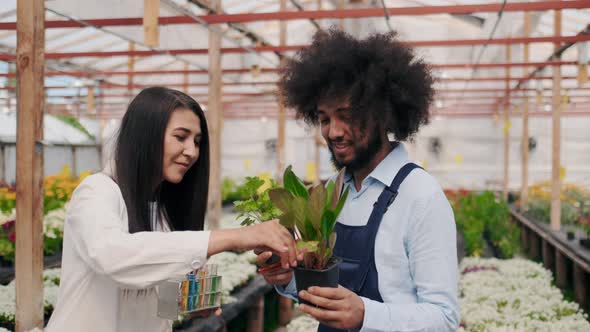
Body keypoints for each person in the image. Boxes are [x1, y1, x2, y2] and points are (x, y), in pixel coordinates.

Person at [46, 87, 300, 332]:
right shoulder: (96, 192)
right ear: (146, 135)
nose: (192, 152)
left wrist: (186, 304)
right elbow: (113, 257)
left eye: (197, 141)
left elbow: (155, 296)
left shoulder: (159, 209)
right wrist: (236, 236)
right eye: (181, 137)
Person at [256, 29, 459, 331]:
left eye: (346, 115)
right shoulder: (332, 191)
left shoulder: (420, 197)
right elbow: (328, 288)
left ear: (383, 114)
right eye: (324, 118)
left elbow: (444, 317)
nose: (334, 132)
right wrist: (289, 281)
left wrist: (366, 314)